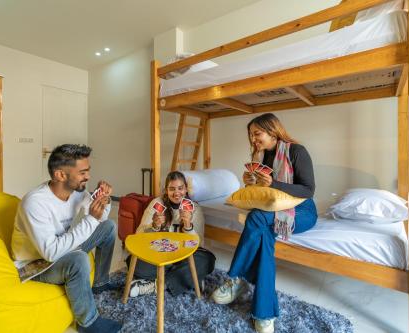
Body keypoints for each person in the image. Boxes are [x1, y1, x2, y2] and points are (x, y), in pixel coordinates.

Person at [211, 113, 317, 333]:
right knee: (264, 234)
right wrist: (251, 182)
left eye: (257, 133)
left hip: (302, 210)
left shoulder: (297, 151)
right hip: (275, 210)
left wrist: (274, 182)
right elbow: (267, 195)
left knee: (257, 217)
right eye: (251, 135)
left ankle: (237, 278)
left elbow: (308, 189)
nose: (253, 139)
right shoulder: (266, 157)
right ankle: (264, 313)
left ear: (272, 131)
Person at [11, 144, 122, 333]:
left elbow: (100, 219)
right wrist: (91, 219)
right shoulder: (35, 203)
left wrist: (104, 201)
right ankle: (88, 323)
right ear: (60, 175)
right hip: (36, 264)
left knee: (108, 227)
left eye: (88, 171)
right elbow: (51, 252)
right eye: (83, 172)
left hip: (62, 248)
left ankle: (101, 283)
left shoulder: (77, 192)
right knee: (78, 260)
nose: (88, 177)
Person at [126, 171, 215, 297]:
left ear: (186, 189)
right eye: (172, 189)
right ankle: (188, 280)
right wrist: (155, 226)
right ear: (166, 190)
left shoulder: (194, 208)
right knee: (134, 262)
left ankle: (154, 286)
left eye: (180, 188)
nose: (177, 193)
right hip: (160, 256)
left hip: (184, 257)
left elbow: (198, 243)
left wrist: (188, 226)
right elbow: (139, 235)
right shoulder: (156, 204)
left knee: (207, 260)